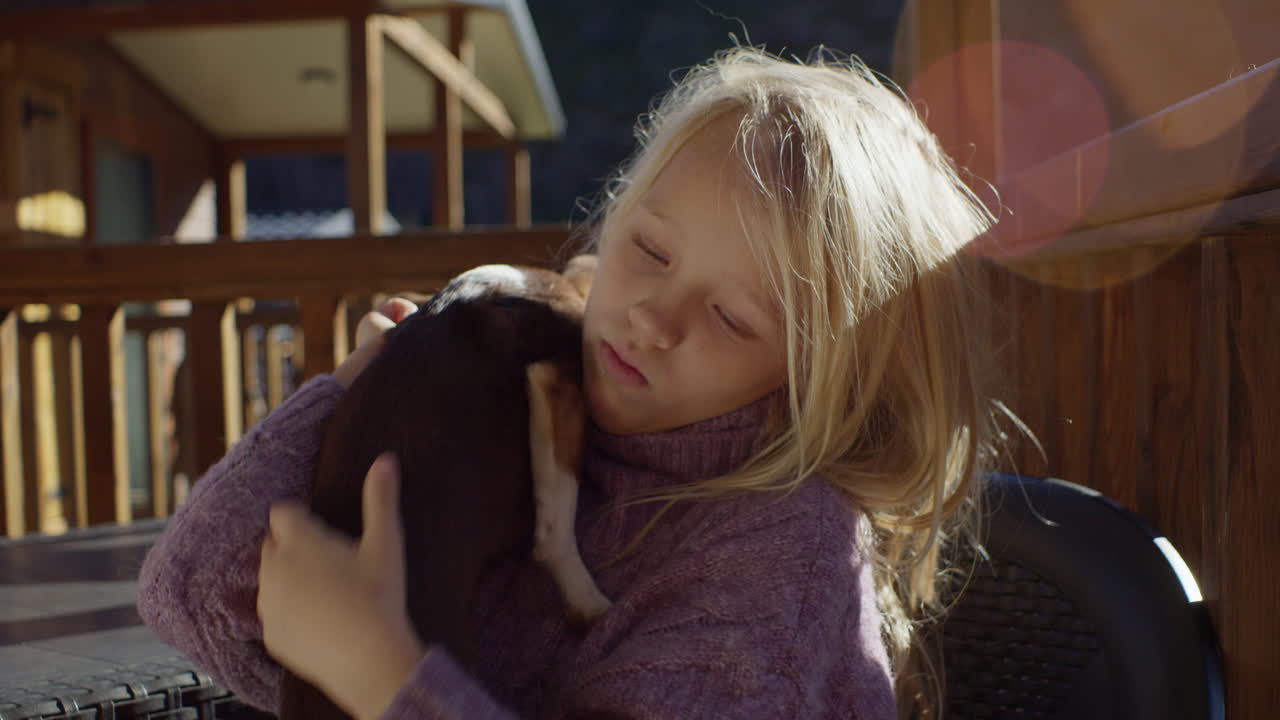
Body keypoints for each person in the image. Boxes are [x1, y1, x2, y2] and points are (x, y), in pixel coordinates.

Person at [137, 45, 1008, 720]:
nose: (652, 319)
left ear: (830, 379)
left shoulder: (782, 553)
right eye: (651, 251)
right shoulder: (532, 414)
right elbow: (191, 593)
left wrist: (386, 680)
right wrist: (356, 391)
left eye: (733, 318)